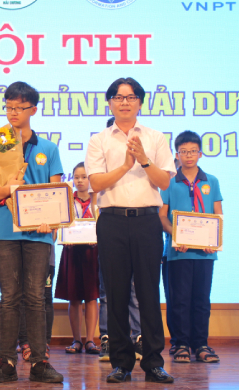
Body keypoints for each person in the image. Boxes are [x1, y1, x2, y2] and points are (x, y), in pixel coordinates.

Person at [85, 77, 176, 384]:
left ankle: (153, 362)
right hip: (111, 221)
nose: (124, 102)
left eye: (131, 96)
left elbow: (164, 182)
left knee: (149, 292)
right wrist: (125, 165)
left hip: (147, 221)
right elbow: (96, 183)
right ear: (110, 102)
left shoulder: (155, 137)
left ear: (140, 102)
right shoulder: (99, 139)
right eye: (118, 96)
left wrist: (144, 160)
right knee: (116, 292)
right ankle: (121, 362)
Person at [0, 81, 64, 384]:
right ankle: (6, 363)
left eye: (19, 107)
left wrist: (51, 222)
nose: (13, 112)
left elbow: (56, 194)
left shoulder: (48, 148)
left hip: (39, 233)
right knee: (10, 297)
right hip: (5, 232)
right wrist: (7, 189)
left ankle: (39, 361)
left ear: (33, 110)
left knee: (36, 297)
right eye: (9, 106)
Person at [159, 130, 222, 364]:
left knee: (202, 300)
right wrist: (176, 235)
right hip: (178, 252)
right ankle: (181, 344)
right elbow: (161, 216)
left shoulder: (211, 181)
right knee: (179, 300)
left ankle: (201, 344)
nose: (188, 155)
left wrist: (214, 241)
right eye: (183, 151)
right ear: (177, 154)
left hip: (205, 254)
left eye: (193, 151)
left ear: (200, 153)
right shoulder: (168, 181)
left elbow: (218, 215)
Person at [98, 117, 143, 363]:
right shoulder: (98, 150)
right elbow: (95, 189)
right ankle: (110, 340)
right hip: (109, 226)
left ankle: (138, 338)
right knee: (109, 292)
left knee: (136, 291)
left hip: (139, 225)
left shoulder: (145, 147)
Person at [55, 162, 100, 355]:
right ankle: (76, 340)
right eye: (76, 177)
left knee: (91, 297)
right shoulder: (66, 200)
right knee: (73, 298)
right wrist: (64, 238)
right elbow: (60, 223)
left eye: (84, 177)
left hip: (92, 252)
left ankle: (90, 340)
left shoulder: (98, 200)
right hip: (71, 252)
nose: (80, 181)